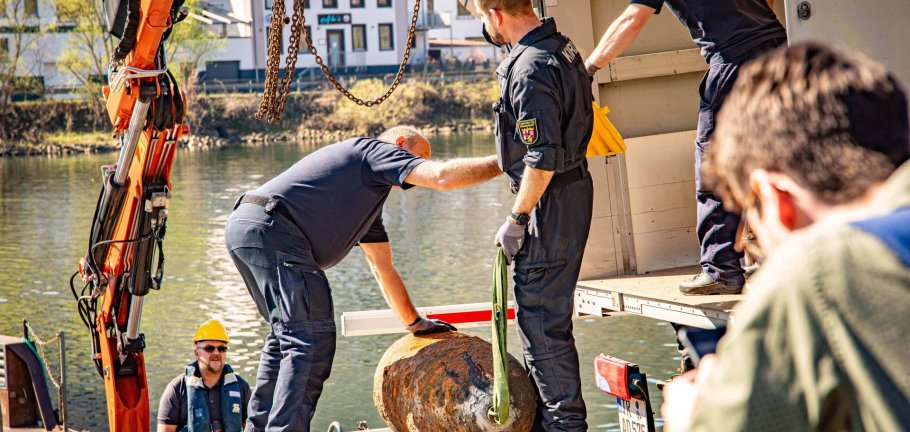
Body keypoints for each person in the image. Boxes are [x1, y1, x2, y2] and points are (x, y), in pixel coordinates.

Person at [661, 43, 910, 431]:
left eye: (751, 231)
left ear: (776, 200)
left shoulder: (816, 273)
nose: (748, 247)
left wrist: (691, 418)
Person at [224, 126, 501, 432]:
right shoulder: (372, 152)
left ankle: (258, 427)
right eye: (420, 156)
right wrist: (505, 161)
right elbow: (442, 177)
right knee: (310, 340)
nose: (418, 169)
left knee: (287, 339)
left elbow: (382, 268)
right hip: (273, 227)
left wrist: (415, 323)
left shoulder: (366, 201)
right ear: (399, 145)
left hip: (248, 227)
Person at [584, 0, 787, 295]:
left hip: (736, 60)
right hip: (779, 52)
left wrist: (587, 69)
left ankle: (721, 269)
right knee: (770, 158)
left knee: (715, 162)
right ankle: (776, 252)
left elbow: (633, 18)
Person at [476, 0, 594, 428]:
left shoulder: (528, 68)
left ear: (495, 14)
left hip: (551, 202)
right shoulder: (562, 46)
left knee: (542, 322)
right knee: (548, 319)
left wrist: (517, 218)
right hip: (572, 189)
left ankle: (564, 425)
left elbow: (541, 156)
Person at [158, 319, 252, 432]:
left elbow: (253, 426)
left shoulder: (241, 387)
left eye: (222, 348)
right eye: (209, 348)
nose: (216, 353)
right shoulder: (177, 389)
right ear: (196, 352)